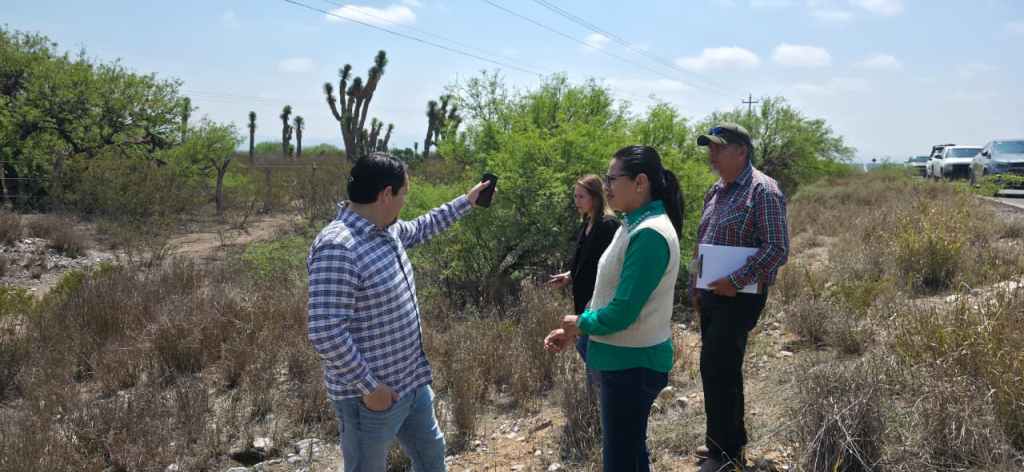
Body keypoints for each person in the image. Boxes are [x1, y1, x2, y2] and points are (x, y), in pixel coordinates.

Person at [307, 153, 493, 472]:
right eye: (404, 193)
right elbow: (325, 332)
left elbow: (422, 227)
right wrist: (370, 387)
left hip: (412, 381)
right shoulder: (338, 247)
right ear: (385, 195)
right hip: (371, 399)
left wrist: (467, 201)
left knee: (431, 456)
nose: (406, 201)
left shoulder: (385, 229)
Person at [545, 145, 683, 472]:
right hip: (622, 360)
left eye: (612, 178)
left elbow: (622, 312)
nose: (606, 186)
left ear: (640, 182)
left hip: (632, 366)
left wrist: (580, 322)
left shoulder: (649, 234)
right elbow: (606, 290)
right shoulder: (633, 223)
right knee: (630, 451)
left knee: (621, 458)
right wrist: (576, 329)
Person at [691, 124, 789, 472]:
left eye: (718, 148)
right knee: (714, 368)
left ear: (741, 151)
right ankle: (720, 442)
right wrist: (696, 285)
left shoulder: (763, 191)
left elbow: (777, 249)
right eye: (709, 149)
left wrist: (735, 280)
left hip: (741, 296)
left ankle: (727, 453)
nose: (711, 156)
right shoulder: (716, 191)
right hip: (713, 294)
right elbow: (704, 241)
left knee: (721, 367)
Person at [547, 174, 620, 366]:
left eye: (581, 197)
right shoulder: (587, 222)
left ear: (595, 198)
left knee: (597, 364)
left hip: (598, 307)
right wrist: (570, 276)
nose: (576, 201)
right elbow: (589, 261)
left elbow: (610, 267)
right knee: (586, 352)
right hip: (583, 305)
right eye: (575, 196)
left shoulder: (608, 225)